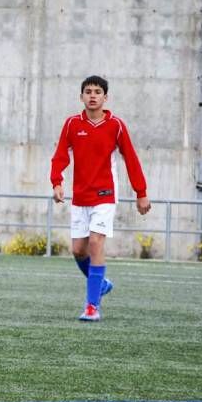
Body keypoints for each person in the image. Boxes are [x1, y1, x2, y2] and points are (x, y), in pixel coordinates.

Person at [50, 75, 151, 322]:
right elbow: (60, 156)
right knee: (77, 250)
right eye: (88, 91)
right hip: (80, 197)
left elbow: (131, 158)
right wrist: (57, 182)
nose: (92, 95)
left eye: (97, 92)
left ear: (105, 97)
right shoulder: (72, 124)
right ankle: (101, 283)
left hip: (105, 195)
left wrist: (141, 192)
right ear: (81, 96)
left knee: (95, 243)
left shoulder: (115, 125)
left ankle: (92, 306)